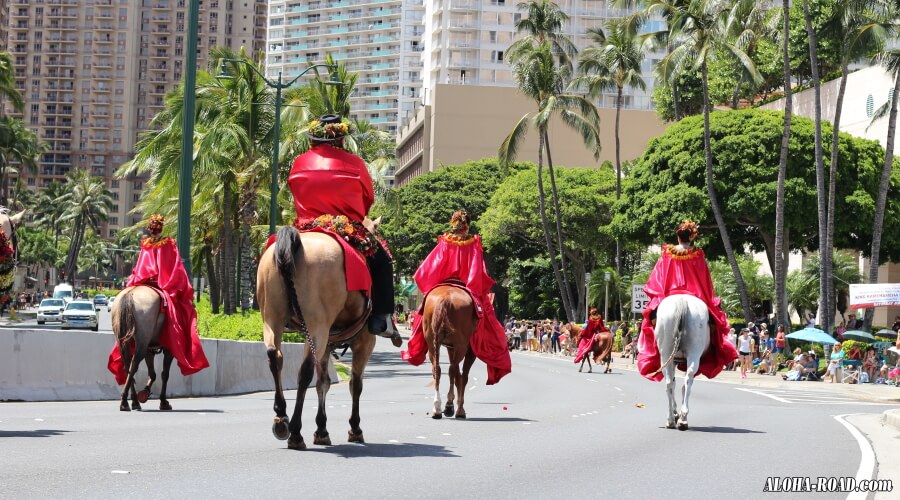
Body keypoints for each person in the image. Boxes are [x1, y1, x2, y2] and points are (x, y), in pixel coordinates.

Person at [286, 114, 398, 343]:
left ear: (313, 139)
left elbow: (293, 191)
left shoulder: (299, 161)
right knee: (382, 261)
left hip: (306, 226)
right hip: (345, 226)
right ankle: (381, 319)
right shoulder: (354, 163)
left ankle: (280, 310)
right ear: (342, 139)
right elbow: (368, 198)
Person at [401, 210, 512, 385]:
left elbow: (432, 266)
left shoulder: (445, 241)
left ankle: (418, 345)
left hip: (443, 283)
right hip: (466, 286)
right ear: (467, 226)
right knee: (488, 318)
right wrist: (477, 287)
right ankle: (490, 346)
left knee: (423, 314)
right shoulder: (474, 242)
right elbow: (477, 270)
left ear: (453, 224)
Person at [107, 214, 210, 384]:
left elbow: (139, 268)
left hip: (140, 281)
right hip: (162, 284)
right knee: (178, 314)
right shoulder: (168, 244)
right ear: (161, 228)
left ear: (150, 228)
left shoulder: (145, 244)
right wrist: (179, 287)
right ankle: (171, 340)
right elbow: (175, 269)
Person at [637, 220, 738, 381]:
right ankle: (708, 350)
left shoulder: (667, 252)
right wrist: (708, 299)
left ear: (678, 237)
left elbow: (658, 277)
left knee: (650, 321)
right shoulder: (698, 254)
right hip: (695, 294)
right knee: (714, 324)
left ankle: (655, 351)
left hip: (669, 294)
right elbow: (705, 280)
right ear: (691, 238)